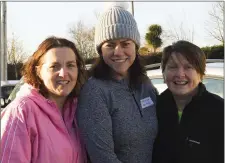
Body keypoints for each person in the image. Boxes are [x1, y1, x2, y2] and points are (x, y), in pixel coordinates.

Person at [76, 2, 158, 163]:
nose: (118, 52)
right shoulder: (95, 91)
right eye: (110, 45)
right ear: (100, 50)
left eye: (125, 44)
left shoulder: (144, 84)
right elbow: (103, 157)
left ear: (135, 46)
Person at [1, 36, 88, 163]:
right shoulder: (21, 112)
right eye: (54, 66)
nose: (63, 73)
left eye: (70, 65)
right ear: (38, 71)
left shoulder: (78, 111)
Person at [152, 40, 224, 163]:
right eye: (173, 67)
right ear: (163, 74)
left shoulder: (219, 111)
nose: (180, 74)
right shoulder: (153, 109)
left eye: (188, 67)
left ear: (201, 74)